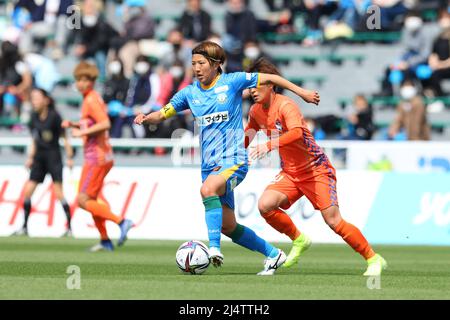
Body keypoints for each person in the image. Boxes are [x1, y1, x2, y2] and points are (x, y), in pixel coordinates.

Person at [134, 41, 320, 275]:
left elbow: (271, 79)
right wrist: (146, 118)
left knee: (207, 190)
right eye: (193, 64)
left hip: (234, 160)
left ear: (215, 65)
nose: (196, 68)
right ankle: (274, 254)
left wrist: (302, 92)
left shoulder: (232, 82)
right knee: (228, 226)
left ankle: (213, 249)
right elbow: (163, 113)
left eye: (201, 63)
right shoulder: (190, 93)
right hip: (209, 165)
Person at [244, 58, 386, 276]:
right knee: (265, 205)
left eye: (256, 86)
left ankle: (373, 258)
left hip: (316, 169)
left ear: (270, 84)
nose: (252, 91)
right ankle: (299, 239)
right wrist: (234, 153)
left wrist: (270, 144)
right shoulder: (255, 111)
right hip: (291, 173)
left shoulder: (286, 105)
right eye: (250, 87)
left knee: (333, 221)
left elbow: (297, 133)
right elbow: (251, 132)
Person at [62, 61, 134, 252]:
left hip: (97, 157)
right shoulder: (90, 98)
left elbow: (104, 124)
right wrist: (75, 125)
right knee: (91, 200)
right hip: (99, 156)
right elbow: (92, 123)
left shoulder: (91, 100)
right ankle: (105, 240)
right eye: (78, 80)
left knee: (83, 200)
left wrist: (81, 133)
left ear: (92, 81)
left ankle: (122, 221)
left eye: (84, 79)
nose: (80, 83)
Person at [14, 88, 73, 237]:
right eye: (32, 98)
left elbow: (64, 137)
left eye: (37, 98)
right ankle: (24, 227)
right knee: (27, 192)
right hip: (39, 158)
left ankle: (70, 228)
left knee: (59, 192)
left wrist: (69, 156)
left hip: (53, 156)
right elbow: (35, 138)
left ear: (46, 100)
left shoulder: (54, 116)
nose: (34, 101)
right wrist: (30, 157)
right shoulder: (33, 117)